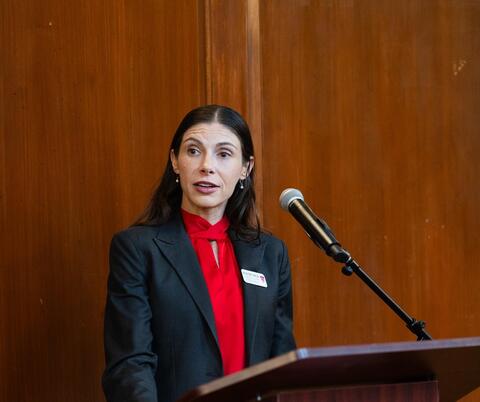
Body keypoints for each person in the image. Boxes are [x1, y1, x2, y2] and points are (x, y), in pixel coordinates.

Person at [102, 105, 296, 402]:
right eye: (193, 151)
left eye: (224, 154)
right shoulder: (138, 249)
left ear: (246, 167)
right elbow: (130, 364)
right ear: (174, 161)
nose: (207, 166)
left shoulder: (270, 254)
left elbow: (281, 363)